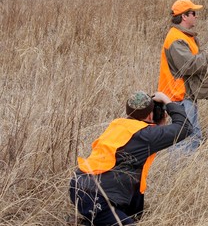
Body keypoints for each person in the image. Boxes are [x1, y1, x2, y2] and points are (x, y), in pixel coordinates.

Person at [69, 91, 192, 226]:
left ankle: (85, 222)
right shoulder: (147, 135)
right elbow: (184, 127)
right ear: (151, 114)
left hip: (78, 186)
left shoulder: (118, 125)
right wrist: (167, 101)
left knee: (131, 215)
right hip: (96, 197)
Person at [158, 0, 208, 153]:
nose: (196, 16)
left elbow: (185, 69)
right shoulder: (176, 39)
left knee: (190, 135)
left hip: (184, 94)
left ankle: (181, 173)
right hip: (179, 96)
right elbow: (188, 66)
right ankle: (177, 173)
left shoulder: (185, 36)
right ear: (184, 17)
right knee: (186, 138)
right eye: (194, 13)